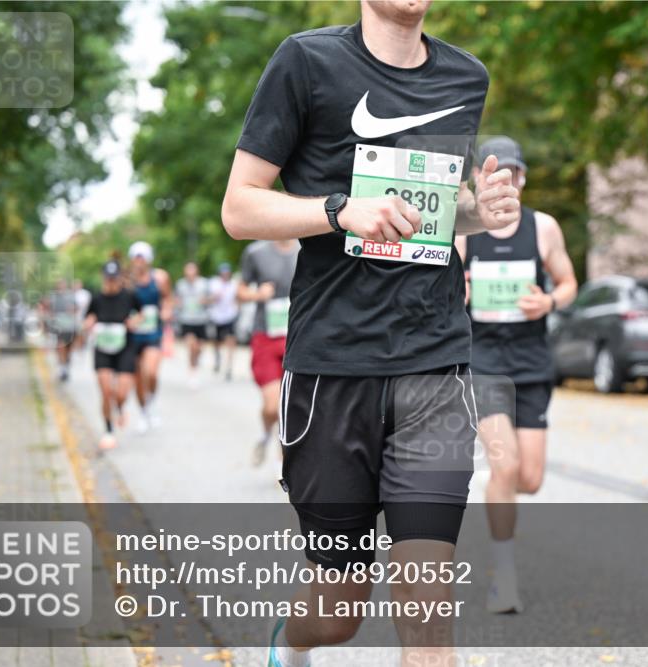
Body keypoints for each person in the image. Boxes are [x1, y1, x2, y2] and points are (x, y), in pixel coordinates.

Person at [221, 2, 520, 665]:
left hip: (433, 368)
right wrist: (340, 209)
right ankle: (289, 642)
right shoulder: (306, 61)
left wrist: (480, 212)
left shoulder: (466, 77)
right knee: (337, 614)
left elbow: (434, 217)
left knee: (428, 627)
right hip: (333, 368)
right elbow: (239, 207)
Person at [455, 136, 578, 614]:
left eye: (512, 174)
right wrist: (456, 292)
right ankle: (504, 577)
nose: (504, 181)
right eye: (493, 174)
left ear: (522, 180)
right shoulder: (465, 232)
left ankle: (496, 487)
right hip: (483, 363)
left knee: (529, 478)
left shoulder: (543, 229)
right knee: (505, 467)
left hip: (530, 363)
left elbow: (569, 283)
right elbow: (440, 291)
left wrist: (549, 300)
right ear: (478, 181)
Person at [237, 239, 299, 466]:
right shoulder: (256, 252)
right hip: (265, 334)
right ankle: (265, 434)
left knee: (291, 406)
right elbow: (240, 291)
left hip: (297, 335)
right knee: (273, 405)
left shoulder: (307, 247)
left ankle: (285, 463)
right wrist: (256, 295)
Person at [82, 261, 143, 450]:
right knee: (106, 390)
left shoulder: (129, 296)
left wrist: (135, 321)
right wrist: (89, 323)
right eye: (107, 278)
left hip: (125, 345)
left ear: (118, 278)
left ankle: (120, 407)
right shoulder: (96, 298)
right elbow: (88, 317)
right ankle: (108, 431)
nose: (110, 282)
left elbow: (141, 314)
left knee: (121, 392)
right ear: (103, 278)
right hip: (102, 346)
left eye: (114, 278)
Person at [127, 241, 172, 433]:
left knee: (151, 372)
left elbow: (168, 298)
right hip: (133, 335)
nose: (139, 262)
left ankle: (151, 402)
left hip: (153, 332)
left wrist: (167, 311)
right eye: (136, 258)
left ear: (149, 259)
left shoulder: (160, 278)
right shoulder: (126, 281)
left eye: (142, 257)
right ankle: (143, 412)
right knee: (138, 378)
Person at [175, 261, 209, 388]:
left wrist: (205, 301)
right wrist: (177, 305)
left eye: (192, 270)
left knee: (199, 348)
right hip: (186, 319)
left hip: (201, 319)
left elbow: (211, 299)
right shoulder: (180, 285)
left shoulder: (204, 283)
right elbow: (176, 299)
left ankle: (196, 363)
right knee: (191, 346)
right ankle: (192, 372)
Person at [207, 262, 240, 381]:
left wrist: (238, 307)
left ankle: (229, 368)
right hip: (217, 316)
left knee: (230, 341)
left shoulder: (233, 284)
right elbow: (207, 299)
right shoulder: (214, 284)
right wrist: (214, 297)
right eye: (223, 272)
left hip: (230, 316)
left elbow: (238, 297)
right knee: (216, 341)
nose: (225, 275)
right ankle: (217, 357)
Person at [46, 279, 79, 382]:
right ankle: (62, 368)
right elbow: (48, 309)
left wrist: (72, 310)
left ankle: (66, 365)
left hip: (70, 326)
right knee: (61, 346)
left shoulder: (71, 296)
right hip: (59, 327)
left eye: (63, 284)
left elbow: (76, 308)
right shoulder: (53, 297)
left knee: (69, 348)